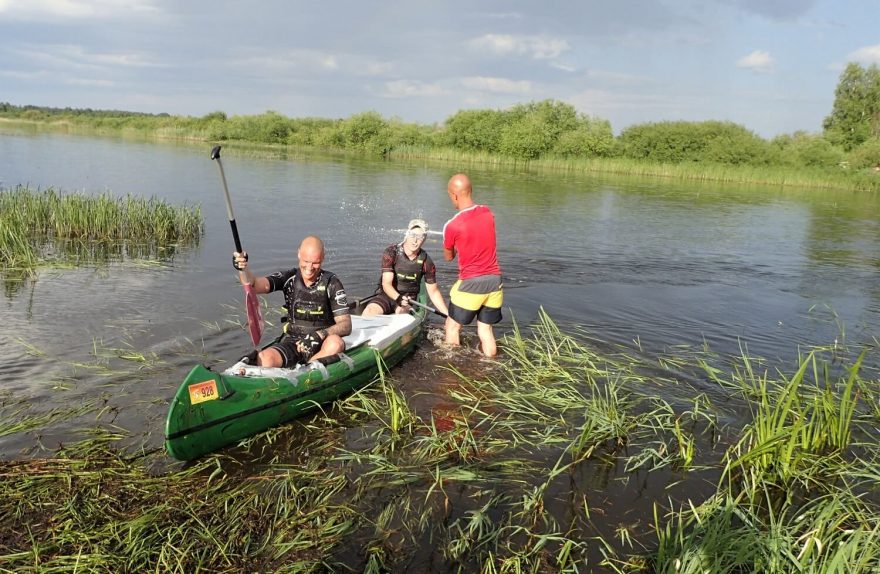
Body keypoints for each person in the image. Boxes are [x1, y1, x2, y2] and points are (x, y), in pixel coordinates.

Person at [232, 235, 351, 368]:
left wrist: (320, 334)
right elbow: (254, 286)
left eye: (315, 262)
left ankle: (305, 370)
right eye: (306, 261)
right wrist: (243, 269)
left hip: (322, 343)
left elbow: (346, 325)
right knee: (265, 359)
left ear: (323, 257)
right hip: (294, 342)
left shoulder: (332, 283)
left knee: (336, 343)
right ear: (299, 254)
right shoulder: (289, 278)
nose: (310, 267)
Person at [443, 173, 503, 357]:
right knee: (485, 331)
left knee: (452, 326)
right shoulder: (488, 212)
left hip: (471, 283)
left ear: (454, 195)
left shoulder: (452, 225)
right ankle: (490, 366)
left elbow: (448, 257)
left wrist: (452, 244)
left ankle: (451, 369)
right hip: (495, 282)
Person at [362, 219, 449, 317]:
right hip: (387, 295)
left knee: (401, 318)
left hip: (409, 300)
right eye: (412, 235)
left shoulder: (426, 261)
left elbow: (433, 292)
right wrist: (398, 298)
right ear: (407, 235)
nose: (415, 241)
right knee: (369, 311)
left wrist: (447, 314)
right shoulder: (392, 252)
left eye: (420, 237)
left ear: (424, 239)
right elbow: (386, 284)